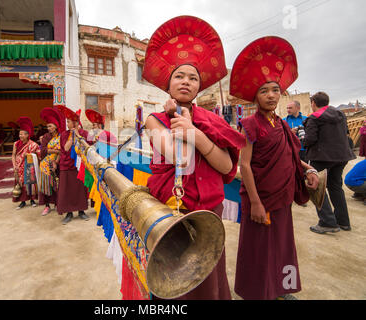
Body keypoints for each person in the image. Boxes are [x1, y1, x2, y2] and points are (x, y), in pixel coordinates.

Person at [142, 15, 246, 300]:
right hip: (170, 215)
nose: (186, 82)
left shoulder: (212, 121)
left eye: (193, 78)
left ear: (200, 86)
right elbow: (177, 157)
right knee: (174, 285)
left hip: (208, 219)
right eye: (179, 76)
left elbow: (226, 166)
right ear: (168, 84)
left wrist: (196, 133)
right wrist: (177, 121)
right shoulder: (154, 120)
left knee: (207, 287)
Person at [230, 36, 320, 300]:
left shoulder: (281, 124)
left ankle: (281, 287)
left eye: (275, 90)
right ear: (255, 96)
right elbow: (244, 165)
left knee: (281, 244)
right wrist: (256, 203)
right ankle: (257, 291)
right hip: (260, 197)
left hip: (282, 196)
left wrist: (309, 169)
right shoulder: (249, 124)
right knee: (259, 247)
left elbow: (291, 155)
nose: (270, 95)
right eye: (264, 91)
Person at [302, 92, 356, 233]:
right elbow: (346, 132)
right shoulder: (340, 115)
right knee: (335, 186)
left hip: (322, 157)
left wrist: (303, 139)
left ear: (313, 102)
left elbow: (310, 139)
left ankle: (327, 222)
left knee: (316, 186)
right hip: (342, 156)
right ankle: (343, 221)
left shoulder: (314, 117)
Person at [56, 106, 91, 224]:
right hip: (66, 166)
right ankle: (68, 213)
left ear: (75, 123)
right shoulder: (64, 134)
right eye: (67, 121)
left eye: (69, 122)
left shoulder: (84, 133)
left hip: (79, 165)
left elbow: (88, 146)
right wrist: (72, 135)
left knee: (80, 189)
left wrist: (78, 134)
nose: (67, 124)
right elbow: (66, 148)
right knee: (67, 190)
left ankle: (81, 211)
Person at [38, 108, 64, 216]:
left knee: (58, 185)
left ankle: (58, 204)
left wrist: (56, 161)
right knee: (46, 185)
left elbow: (63, 150)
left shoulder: (61, 136)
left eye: (50, 126)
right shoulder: (46, 137)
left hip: (58, 163)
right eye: (47, 126)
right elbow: (43, 149)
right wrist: (55, 150)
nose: (48, 128)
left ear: (56, 126)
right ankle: (47, 205)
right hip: (46, 164)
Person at [12, 117, 40, 209]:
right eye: (19, 134)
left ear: (27, 135)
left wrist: (28, 154)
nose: (20, 136)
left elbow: (38, 154)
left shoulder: (33, 144)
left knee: (30, 183)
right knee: (20, 183)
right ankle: (22, 201)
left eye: (22, 134)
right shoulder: (16, 143)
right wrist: (14, 165)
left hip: (28, 166)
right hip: (19, 166)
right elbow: (13, 155)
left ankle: (32, 200)